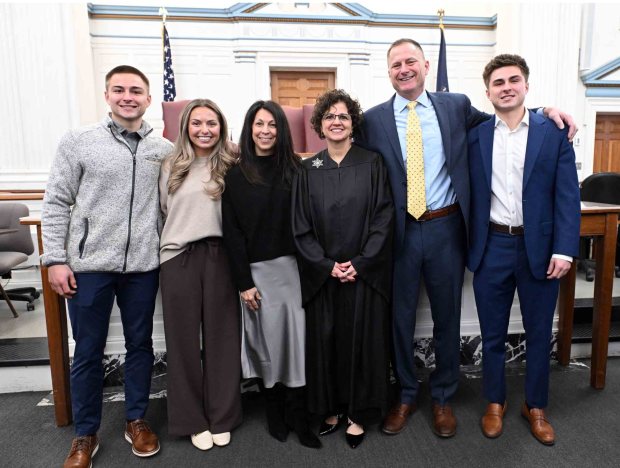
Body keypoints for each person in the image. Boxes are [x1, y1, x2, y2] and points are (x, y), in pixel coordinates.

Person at [356, 38, 577, 438]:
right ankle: (405, 395)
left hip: (446, 228)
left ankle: (442, 398)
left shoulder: (455, 106)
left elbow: (508, 112)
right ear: (388, 72)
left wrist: (548, 109)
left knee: (447, 317)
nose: (404, 69)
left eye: (411, 61)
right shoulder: (372, 120)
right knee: (399, 319)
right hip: (399, 233)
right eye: (395, 65)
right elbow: (349, 160)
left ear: (426, 65)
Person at [42, 65, 172, 468]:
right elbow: (56, 201)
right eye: (119, 90)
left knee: (140, 345)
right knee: (88, 351)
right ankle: (85, 433)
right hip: (89, 265)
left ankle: (136, 418)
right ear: (107, 95)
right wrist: (55, 258)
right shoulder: (79, 141)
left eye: (136, 90)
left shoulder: (163, 149)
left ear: (149, 99)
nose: (128, 96)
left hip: (143, 267)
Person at [468, 54, 580, 445]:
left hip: (541, 249)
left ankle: (536, 406)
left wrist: (565, 249)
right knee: (493, 333)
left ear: (526, 86)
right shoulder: (477, 134)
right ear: (488, 92)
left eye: (513, 80)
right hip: (492, 246)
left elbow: (567, 195)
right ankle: (494, 402)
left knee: (538, 333)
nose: (506, 87)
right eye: (498, 83)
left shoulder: (553, 133)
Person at [292, 89, 394, 449]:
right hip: (325, 277)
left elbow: (384, 217)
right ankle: (331, 408)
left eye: (343, 116)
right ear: (319, 124)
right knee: (326, 343)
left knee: (362, 343)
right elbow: (300, 226)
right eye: (330, 116)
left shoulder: (372, 163)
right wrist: (326, 266)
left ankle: (359, 413)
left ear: (353, 124)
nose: (336, 122)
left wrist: (361, 263)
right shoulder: (308, 169)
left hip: (363, 275)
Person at [222, 100, 320, 449]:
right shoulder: (235, 175)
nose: (265, 131)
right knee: (267, 345)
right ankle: (275, 413)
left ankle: (300, 416)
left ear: (282, 130)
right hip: (256, 276)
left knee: (296, 344)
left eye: (272, 125)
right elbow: (231, 233)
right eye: (258, 124)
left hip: (294, 271)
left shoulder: (298, 170)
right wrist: (243, 282)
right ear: (249, 129)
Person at [159, 99, 241, 451]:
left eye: (212, 123)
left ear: (222, 127)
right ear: (185, 127)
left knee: (223, 340)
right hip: (178, 257)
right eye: (197, 123)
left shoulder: (234, 162)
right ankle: (192, 420)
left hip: (220, 255)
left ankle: (222, 416)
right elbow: (163, 212)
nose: (204, 130)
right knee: (183, 344)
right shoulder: (168, 164)